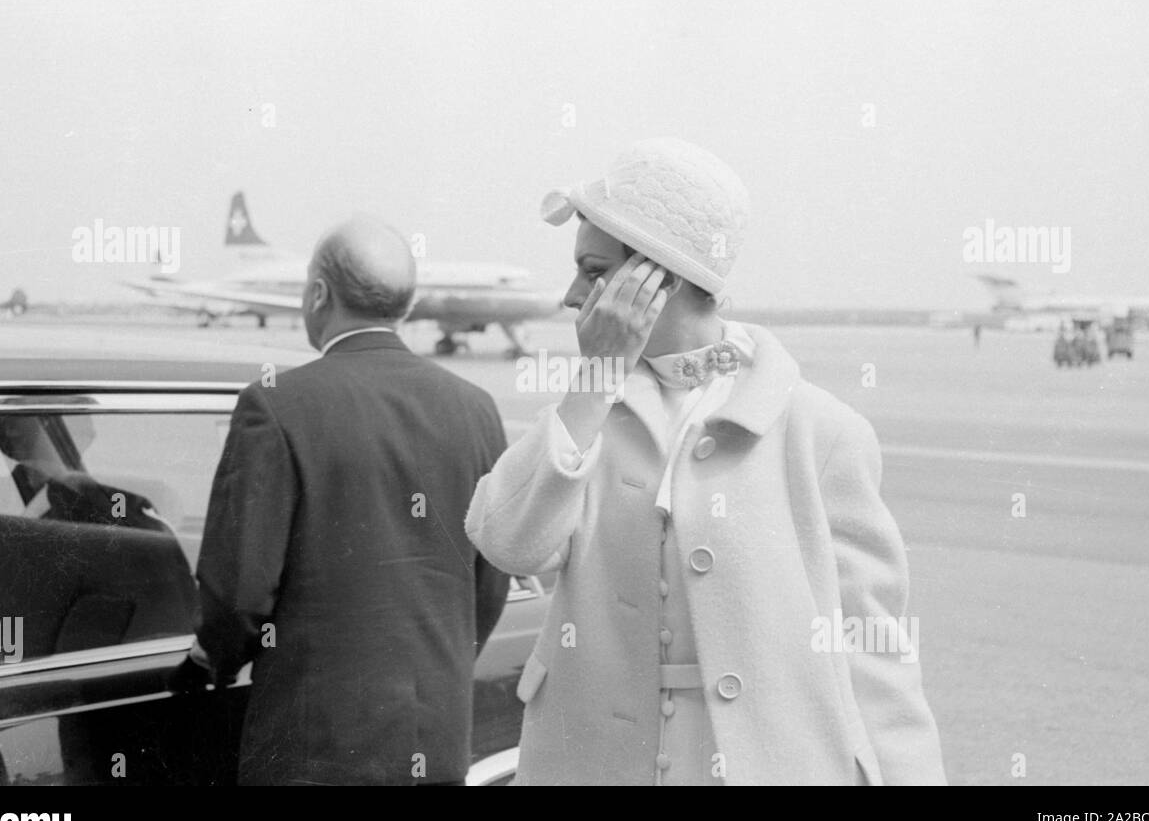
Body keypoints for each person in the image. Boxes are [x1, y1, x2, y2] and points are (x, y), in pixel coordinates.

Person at [466, 137, 946, 785]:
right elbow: (508, 543)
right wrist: (595, 376)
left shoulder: (820, 433)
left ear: (653, 278)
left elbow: (874, 652)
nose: (571, 296)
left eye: (592, 270)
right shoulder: (589, 416)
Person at [189, 214, 511, 785]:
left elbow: (239, 590)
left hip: (313, 750)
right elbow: (488, 582)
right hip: (433, 738)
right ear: (403, 307)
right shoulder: (476, 407)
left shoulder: (275, 404)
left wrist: (209, 662)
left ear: (317, 294)